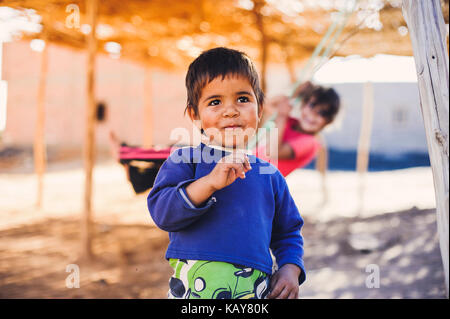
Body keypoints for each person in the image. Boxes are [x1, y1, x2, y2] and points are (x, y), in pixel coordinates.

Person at [147, 47, 305, 299]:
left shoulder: (269, 174)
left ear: (260, 108)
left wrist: (290, 268)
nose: (230, 110)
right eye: (215, 102)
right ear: (194, 116)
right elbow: (163, 213)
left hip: (253, 293)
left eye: (243, 99)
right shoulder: (186, 160)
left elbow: (288, 232)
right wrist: (208, 183)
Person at [255, 82, 340, 177]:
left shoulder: (311, 143)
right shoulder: (289, 122)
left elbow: (271, 153)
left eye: (322, 113)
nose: (313, 114)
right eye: (312, 105)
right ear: (303, 104)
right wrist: (292, 94)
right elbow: (265, 105)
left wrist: (282, 116)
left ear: (328, 121)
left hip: (258, 183)